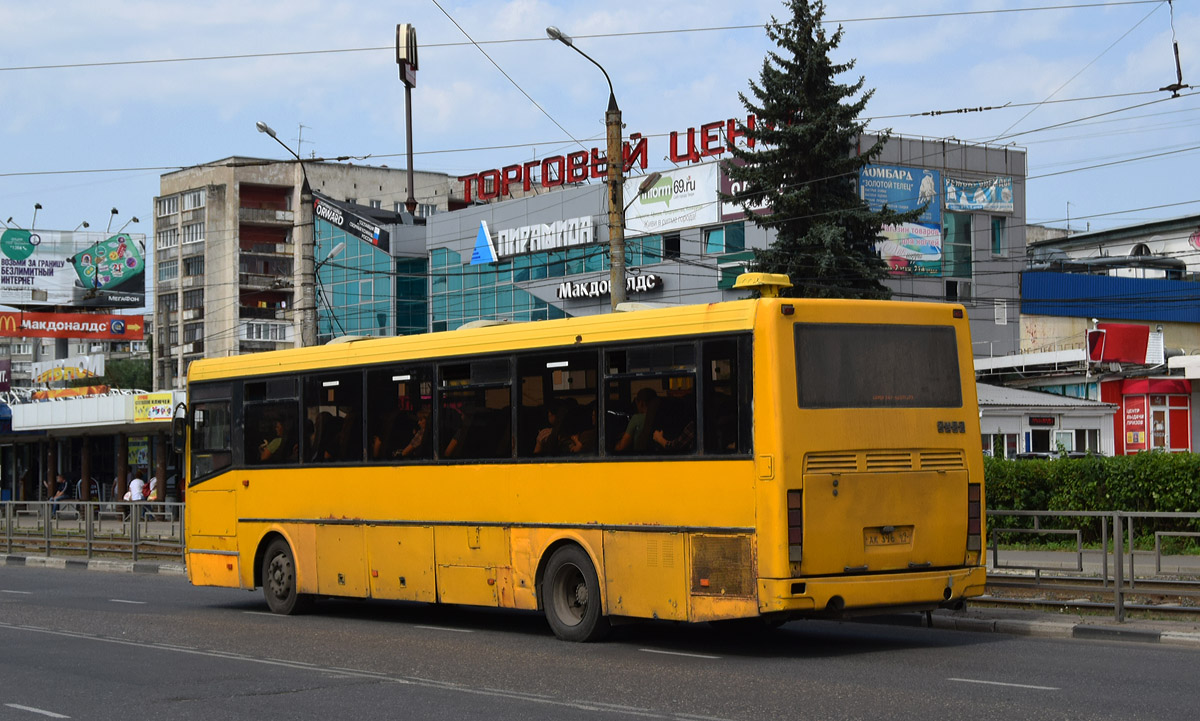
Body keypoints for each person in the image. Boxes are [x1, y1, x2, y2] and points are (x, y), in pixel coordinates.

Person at [614, 388, 659, 453]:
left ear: (641, 403)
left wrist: (616, 445)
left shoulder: (637, 419)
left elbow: (621, 447)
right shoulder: (660, 418)